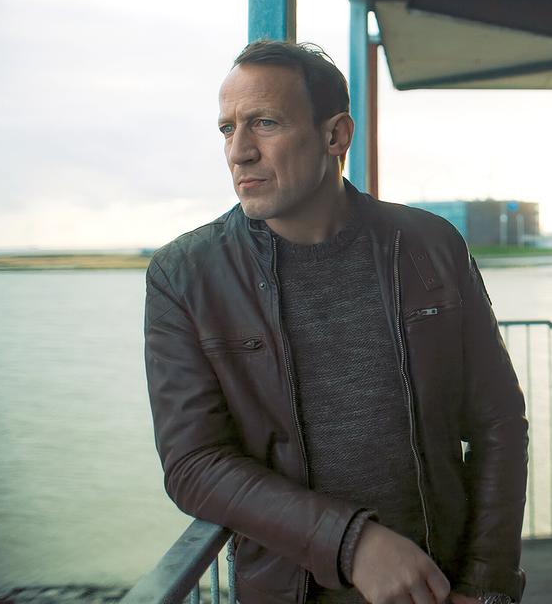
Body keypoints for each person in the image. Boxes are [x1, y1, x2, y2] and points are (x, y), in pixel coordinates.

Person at [144, 40, 527, 604]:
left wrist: (487, 584)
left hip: (445, 587)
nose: (239, 152)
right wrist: (353, 542)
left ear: (335, 136)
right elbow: (194, 464)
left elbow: (498, 420)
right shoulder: (185, 275)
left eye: (264, 123)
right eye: (227, 129)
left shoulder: (428, 245)